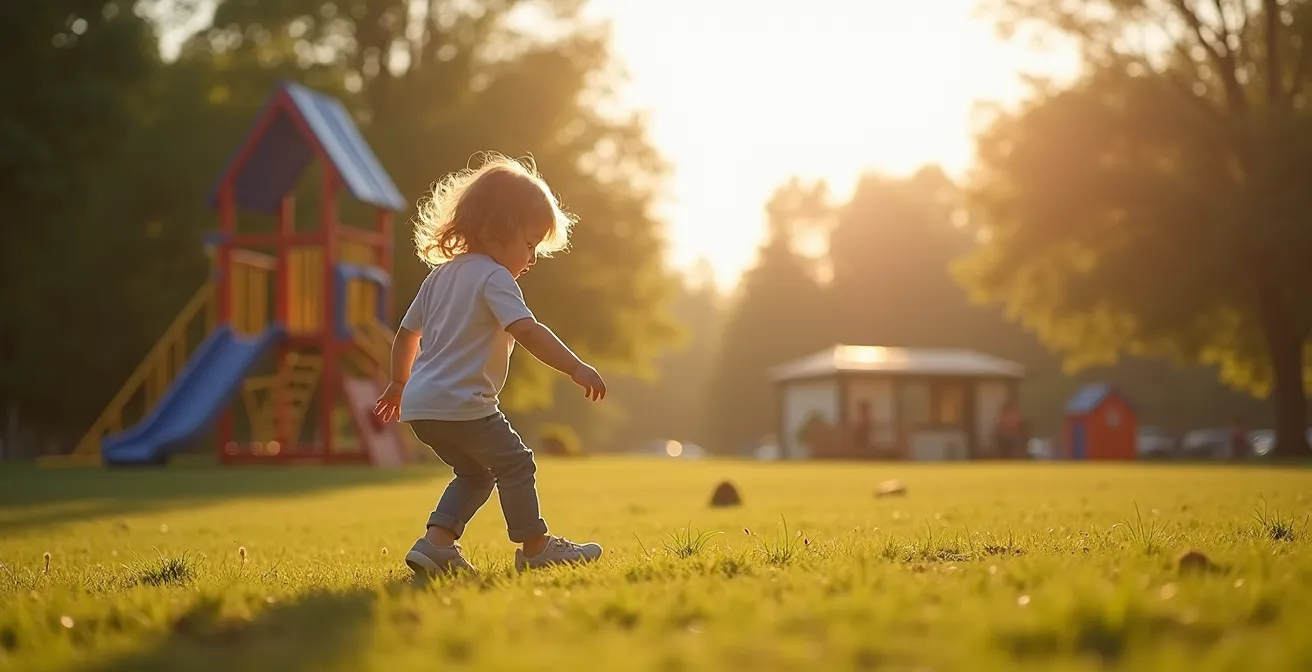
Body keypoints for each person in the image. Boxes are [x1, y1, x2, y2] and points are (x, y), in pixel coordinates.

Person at [373, 153, 608, 576]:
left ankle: (436, 545)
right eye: (529, 244)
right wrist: (575, 367)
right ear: (496, 230)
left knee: (475, 474)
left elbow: (407, 334)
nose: (532, 258)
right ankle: (536, 548)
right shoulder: (494, 277)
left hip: (422, 407)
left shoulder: (439, 276)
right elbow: (528, 331)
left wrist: (397, 383)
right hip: (464, 404)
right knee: (516, 463)